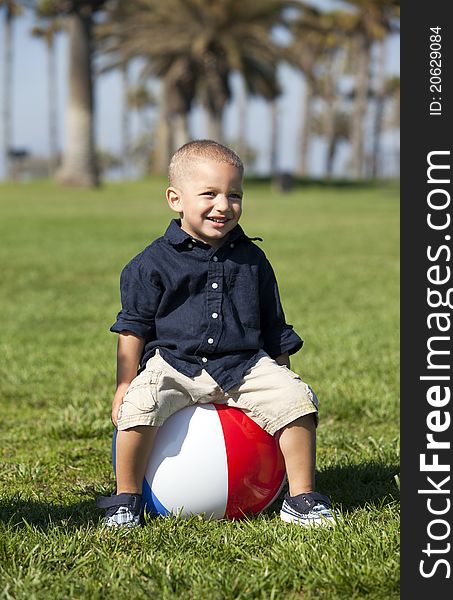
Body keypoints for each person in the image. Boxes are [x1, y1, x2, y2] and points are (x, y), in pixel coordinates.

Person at [97, 140, 338, 528]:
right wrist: (125, 383)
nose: (224, 205)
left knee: (298, 401)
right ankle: (126, 499)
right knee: (136, 409)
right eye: (209, 194)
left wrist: (283, 373)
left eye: (234, 194)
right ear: (175, 199)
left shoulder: (253, 260)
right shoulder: (150, 263)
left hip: (243, 364)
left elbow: (274, 326)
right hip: (176, 365)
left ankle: (302, 498)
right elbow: (133, 326)